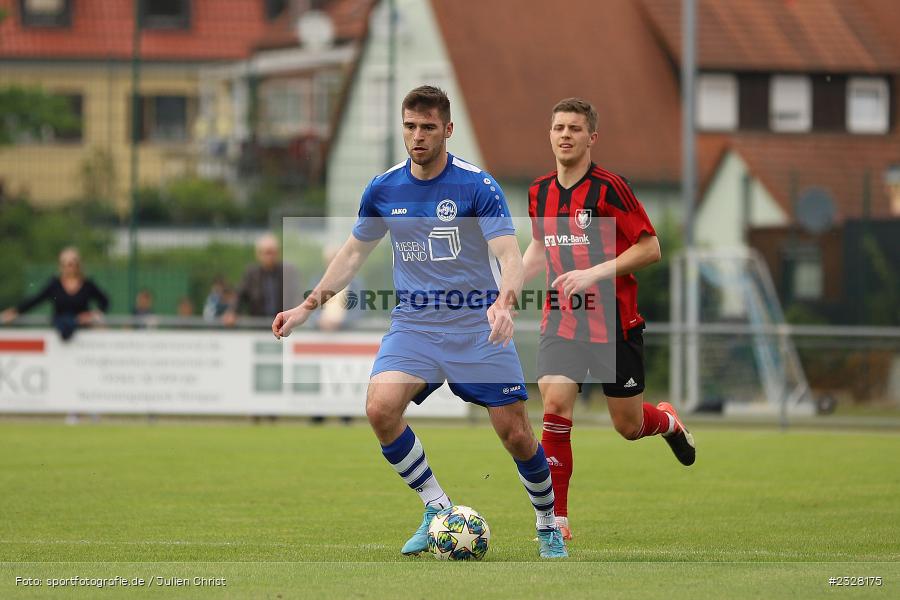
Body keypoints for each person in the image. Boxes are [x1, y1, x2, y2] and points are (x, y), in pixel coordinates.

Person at [272, 86, 568, 558]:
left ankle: (548, 522)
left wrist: (506, 302)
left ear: (447, 130)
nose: (418, 136)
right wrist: (307, 307)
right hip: (415, 327)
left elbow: (509, 254)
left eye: (428, 127)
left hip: (477, 326)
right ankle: (436, 505)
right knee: (380, 408)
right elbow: (352, 254)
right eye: (410, 126)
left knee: (516, 435)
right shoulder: (384, 188)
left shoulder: (476, 185)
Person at [523, 98, 696, 541]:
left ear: (591, 138)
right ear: (549, 134)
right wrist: (506, 289)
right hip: (564, 318)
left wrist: (595, 272)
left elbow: (651, 247)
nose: (565, 134)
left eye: (575, 129)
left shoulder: (610, 188)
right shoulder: (538, 190)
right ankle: (555, 519)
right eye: (558, 127)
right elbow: (540, 248)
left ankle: (668, 422)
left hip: (615, 323)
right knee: (556, 406)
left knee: (628, 426)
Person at [1, 247, 108, 340]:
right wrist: (16, 311)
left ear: (78, 265)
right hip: (60, 332)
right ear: (60, 265)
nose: (69, 267)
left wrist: (93, 315)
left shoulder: (87, 284)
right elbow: (36, 300)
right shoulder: (54, 285)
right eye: (65, 263)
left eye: (72, 263)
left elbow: (105, 301)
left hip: (84, 333)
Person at [224, 234, 300, 325]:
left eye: (273, 252)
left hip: (284, 325)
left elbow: (297, 295)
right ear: (258, 254)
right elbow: (240, 295)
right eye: (267, 253)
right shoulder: (251, 274)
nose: (270, 256)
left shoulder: (288, 272)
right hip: (258, 326)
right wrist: (232, 312)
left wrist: (298, 314)